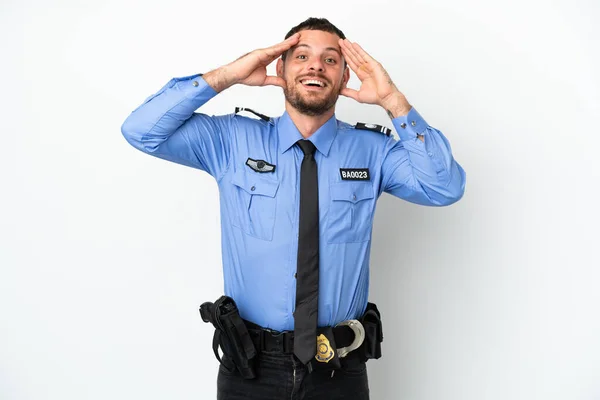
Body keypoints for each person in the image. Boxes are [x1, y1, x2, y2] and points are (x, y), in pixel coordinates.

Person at [121, 17, 466, 400]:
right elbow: (140, 130)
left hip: (338, 369)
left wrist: (392, 101)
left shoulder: (376, 152)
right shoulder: (230, 140)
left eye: (330, 59)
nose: (315, 66)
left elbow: (445, 187)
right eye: (301, 56)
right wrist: (228, 75)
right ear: (280, 68)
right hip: (249, 368)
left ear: (345, 74)